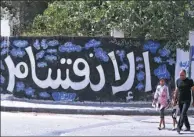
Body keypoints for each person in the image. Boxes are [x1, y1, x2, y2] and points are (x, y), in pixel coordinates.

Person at [175, 69, 194, 134]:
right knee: (184, 114)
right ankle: (188, 127)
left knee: (182, 113)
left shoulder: (190, 81)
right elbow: (176, 91)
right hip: (180, 100)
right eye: (180, 75)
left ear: (185, 74)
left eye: (182, 75)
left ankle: (179, 127)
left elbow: (193, 91)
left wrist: (193, 100)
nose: (181, 76)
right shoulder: (178, 81)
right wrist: (175, 100)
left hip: (187, 100)